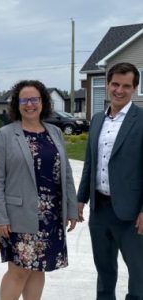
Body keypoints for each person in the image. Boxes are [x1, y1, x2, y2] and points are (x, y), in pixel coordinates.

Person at [0, 80, 78, 300]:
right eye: (24, 100)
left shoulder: (55, 132)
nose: (30, 104)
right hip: (20, 215)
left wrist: (72, 208)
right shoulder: (5, 135)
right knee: (19, 271)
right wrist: (0, 217)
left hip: (52, 215)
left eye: (34, 99)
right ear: (17, 104)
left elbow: (65, 172)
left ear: (43, 102)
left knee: (40, 268)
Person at [77, 62, 143, 300]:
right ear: (107, 84)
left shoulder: (141, 120)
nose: (119, 90)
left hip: (132, 215)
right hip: (100, 210)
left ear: (134, 88)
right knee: (104, 272)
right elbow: (90, 163)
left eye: (126, 86)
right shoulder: (97, 120)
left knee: (139, 274)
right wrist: (80, 199)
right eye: (115, 84)